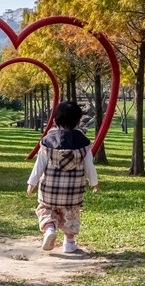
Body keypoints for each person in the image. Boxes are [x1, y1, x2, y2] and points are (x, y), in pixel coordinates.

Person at [26, 101, 99, 252]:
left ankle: (50, 229)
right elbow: (89, 165)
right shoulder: (83, 142)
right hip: (73, 192)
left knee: (45, 209)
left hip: (49, 190)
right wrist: (94, 182)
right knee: (71, 215)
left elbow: (40, 164)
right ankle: (69, 243)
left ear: (55, 120)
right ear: (78, 121)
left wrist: (32, 182)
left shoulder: (47, 141)